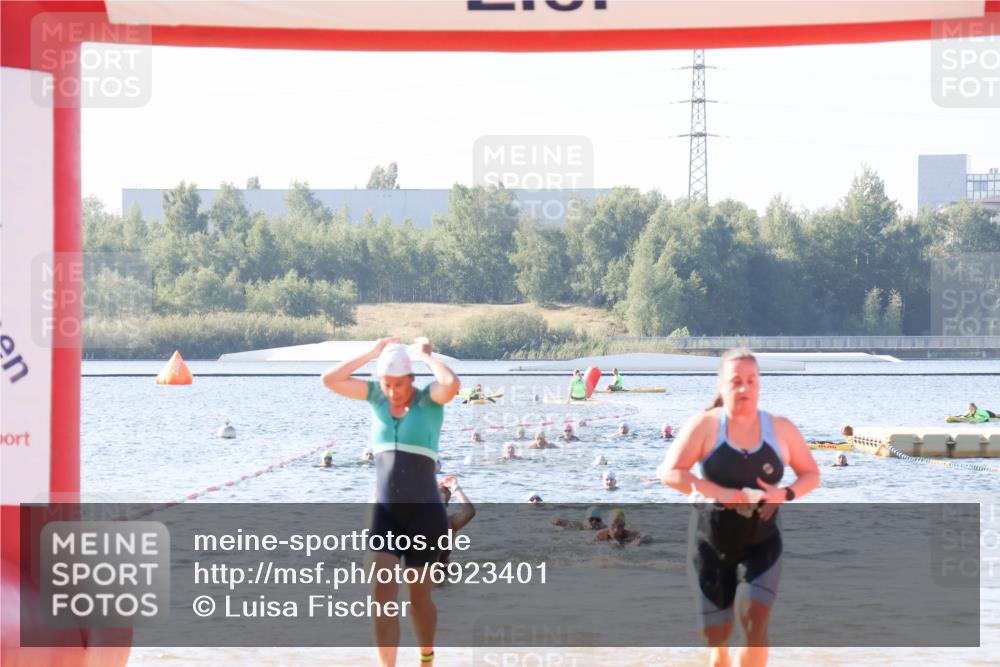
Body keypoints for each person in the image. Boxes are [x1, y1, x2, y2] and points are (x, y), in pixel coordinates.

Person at [656, 348, 820, 667]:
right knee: (715, 636)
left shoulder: (780, 429)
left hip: (762, 543)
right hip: (710, 545)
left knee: (753, 619)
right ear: (721, 385)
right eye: (736, 381)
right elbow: (670, 473)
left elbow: (811, 475)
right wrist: (718, 492)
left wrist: (783, 494)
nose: (744, 388)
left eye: (751, 380)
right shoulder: (705, 426)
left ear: (759, 384)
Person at [322, 335, 461, 667]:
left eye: (399, 384)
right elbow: (330, 379)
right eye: (387, 384)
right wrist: (372, 352)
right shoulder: (375, 397)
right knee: (381, 595)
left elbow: (452, 384)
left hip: (425, 516)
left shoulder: (429, 401)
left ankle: (426, 659)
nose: (393, 391)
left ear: (411, 379)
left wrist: (426, 357)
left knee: (418, 597)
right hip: (385, 513)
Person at [438, 476, 475, 565]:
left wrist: (455, 488)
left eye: (444, 505)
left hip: (442, 569)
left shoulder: (450, 523)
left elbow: (470, 511)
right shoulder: (417, 520)